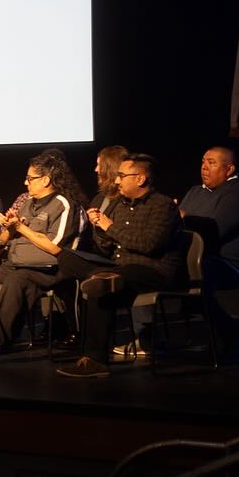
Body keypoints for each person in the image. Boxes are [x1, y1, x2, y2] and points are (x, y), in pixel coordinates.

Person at [54, 154, 183, 379]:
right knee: (68, 258)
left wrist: (109, 226)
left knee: (102, 284)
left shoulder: (162, 206)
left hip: (152, 270)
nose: (116, 181)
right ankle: (101, 279)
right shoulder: (118, 204)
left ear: (141, 179)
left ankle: (94, 359)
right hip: (118, 268)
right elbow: (106, 249)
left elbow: (147, 245)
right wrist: (99, 228)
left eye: (122, 176)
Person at [0, 153, 87, 366]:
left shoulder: (64, 204)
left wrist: (22, 228)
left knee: (17, 280)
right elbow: (6, 240)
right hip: (16, 262)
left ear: (46, 180)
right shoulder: (27, 203)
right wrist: (8, 229)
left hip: (48, 268)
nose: (25, 182)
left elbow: (56, 248)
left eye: (30, 178)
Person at [176, 146, 239, 360]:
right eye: (203, 161)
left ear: (229, 169)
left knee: (185, 275)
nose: (204, 167)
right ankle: (148, 338)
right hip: (195, 259)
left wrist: (182, 217)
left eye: (212, 163)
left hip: (227, 265)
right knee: (160, 267)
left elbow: (215, 230)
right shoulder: (195, 191)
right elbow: (179, 228)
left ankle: (236, 338)